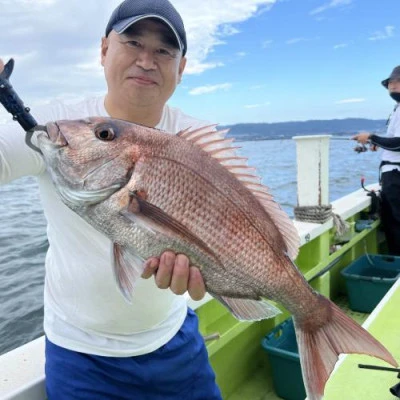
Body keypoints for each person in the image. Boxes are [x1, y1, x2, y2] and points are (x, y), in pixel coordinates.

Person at [0, 1, 223, 399]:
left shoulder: (196, 141)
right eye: (133, 41)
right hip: (80, 355)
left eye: (163, 51)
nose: (146, 60)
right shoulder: (62, 128)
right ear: (104, 49)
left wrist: (211, 274)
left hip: (176, 340)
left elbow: (234, 229)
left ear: (181, 67)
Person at [352, 65, 400, 256]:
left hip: (396, 176)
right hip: (393, 174)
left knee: (395, 221)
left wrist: (371, 137)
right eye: (391, 83)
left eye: (398, 82)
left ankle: (397, 270)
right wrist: (378, 144)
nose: (393, 86)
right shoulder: (397, 108)